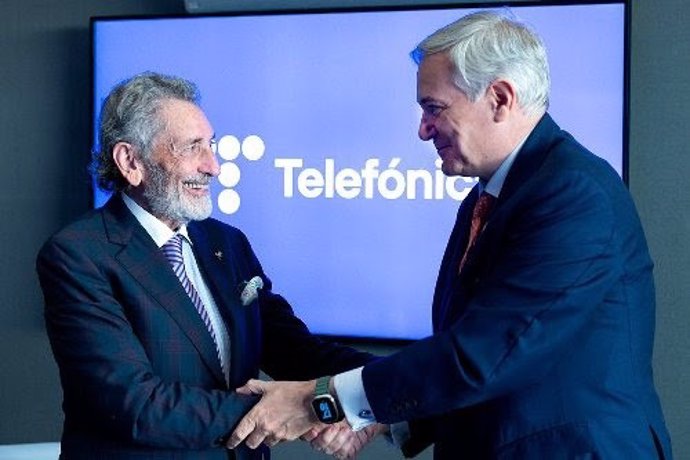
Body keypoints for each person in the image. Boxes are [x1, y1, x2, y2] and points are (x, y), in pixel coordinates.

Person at [226, 10, 673, 459]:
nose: (422, 131)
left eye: (433, 108)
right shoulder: (490, 197)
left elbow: (483, 356)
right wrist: (384, 413)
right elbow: (485, 358)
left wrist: (320, 402)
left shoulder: (574, 194)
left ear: (499, 98)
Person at [36, 72, 378, 460]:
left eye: (211, 145)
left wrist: (388, 383)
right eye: (192, 147)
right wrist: (300, 409)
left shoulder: (226, 243)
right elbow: (136, 405)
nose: (213, 166)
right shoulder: (79, 254)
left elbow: (294, 350)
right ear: (130, 161)